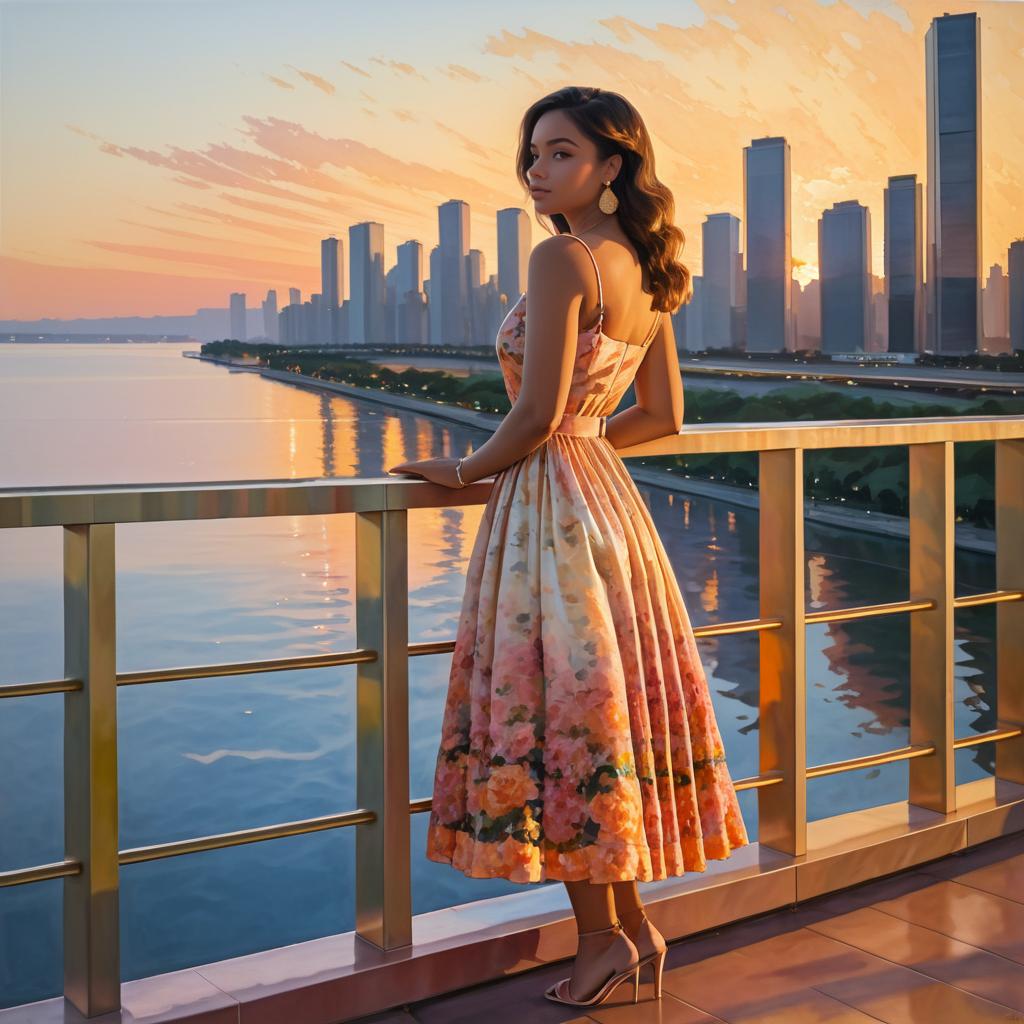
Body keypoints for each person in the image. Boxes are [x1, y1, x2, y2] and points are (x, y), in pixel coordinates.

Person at [387, 85, 749, 1008]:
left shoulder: (565, 260)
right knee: (597, 725)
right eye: (533, 153)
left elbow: (537, 412)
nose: (536, 171)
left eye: (558, 153)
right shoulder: (648, 266)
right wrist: (581, 448)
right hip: (610, 513)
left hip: (548, 516)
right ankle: (631, 931)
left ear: (611, 165)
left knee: (558, 727)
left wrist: (463, 471)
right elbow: (660, 416)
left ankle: (601, 944)